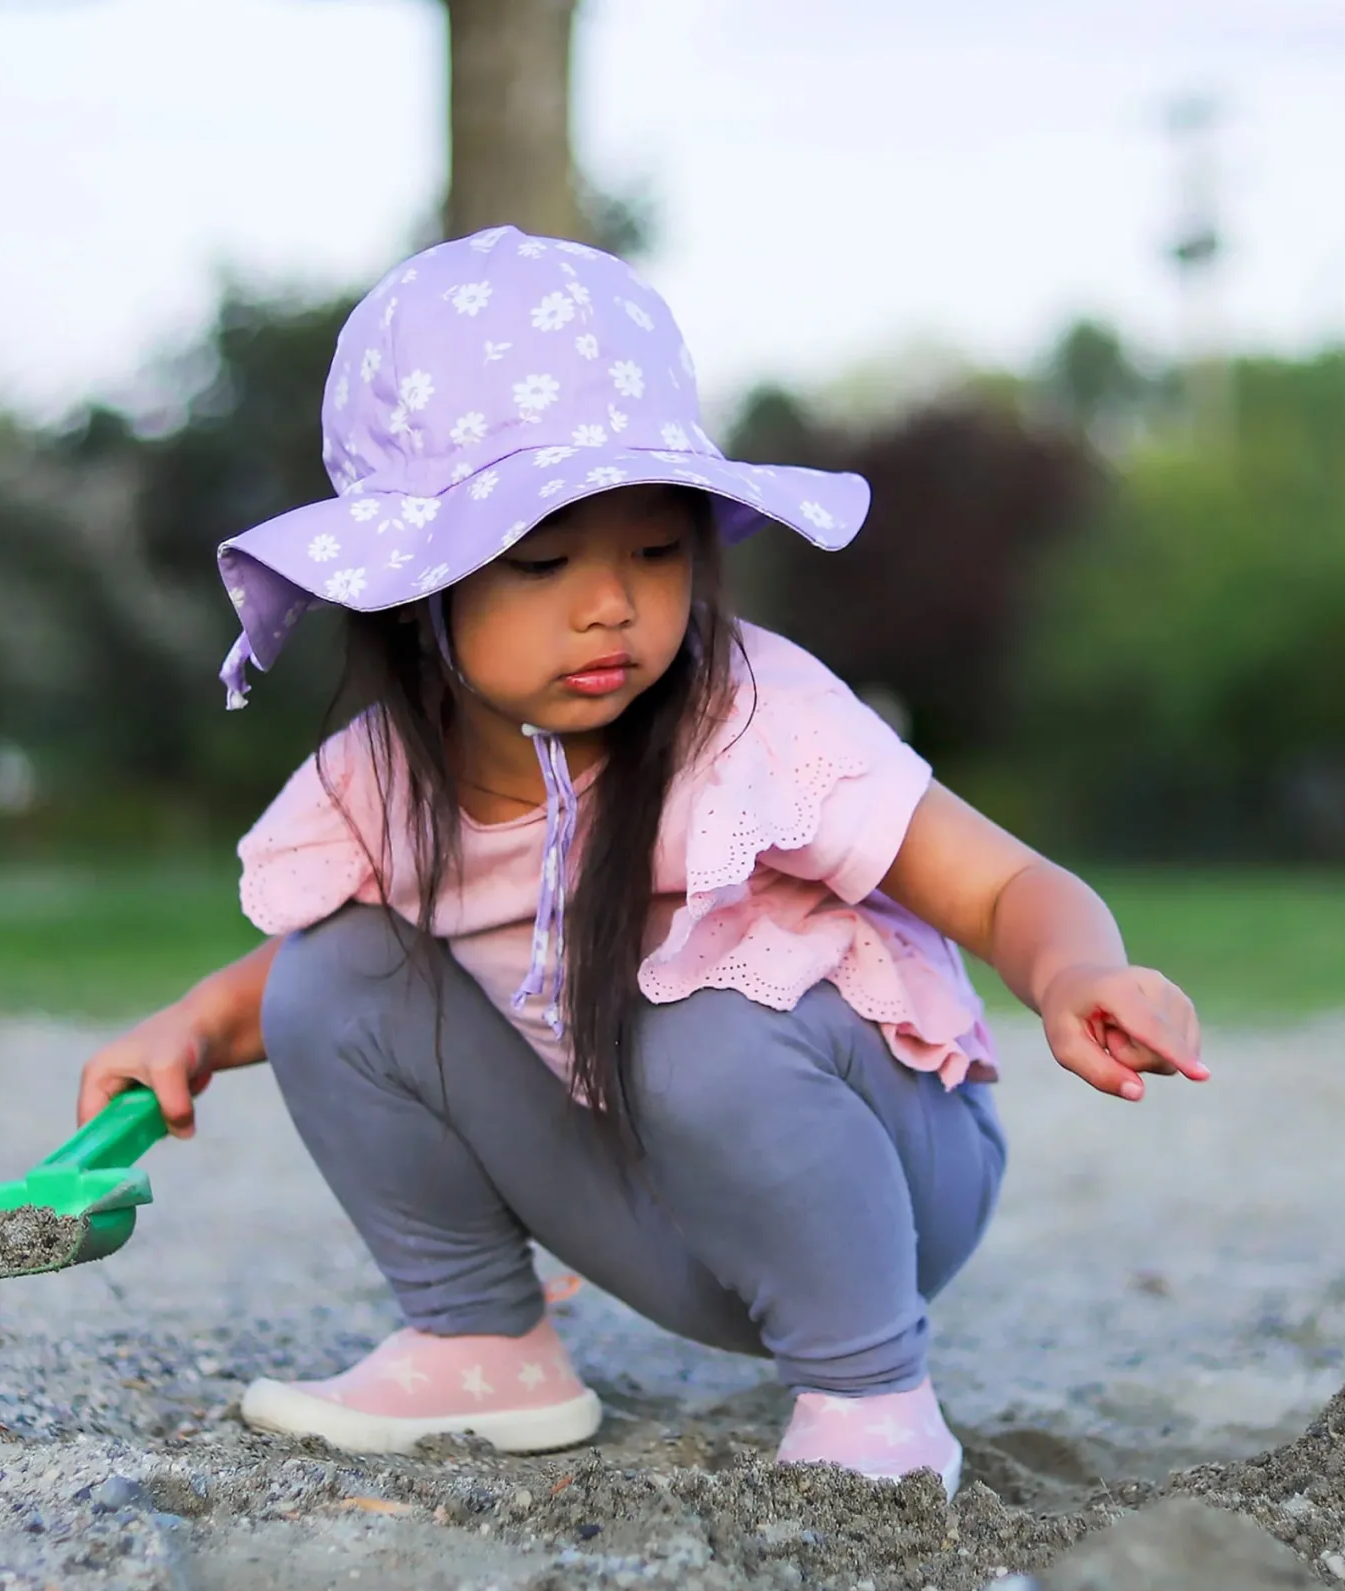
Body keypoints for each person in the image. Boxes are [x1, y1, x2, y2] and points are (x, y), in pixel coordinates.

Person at [77, 226, 1207, 1496]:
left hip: (885, 1188)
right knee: (334, 967)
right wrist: (188, 1030)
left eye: (657, 553)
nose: (610, 603)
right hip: (650, 1200)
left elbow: (1003, 884)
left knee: (699, 1014)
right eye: (543, 560)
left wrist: (1074, 974)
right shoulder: (380, 779)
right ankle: (476, 1343)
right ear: (414, 586)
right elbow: (310, 986)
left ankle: (869, 1397)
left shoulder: (752, 716)